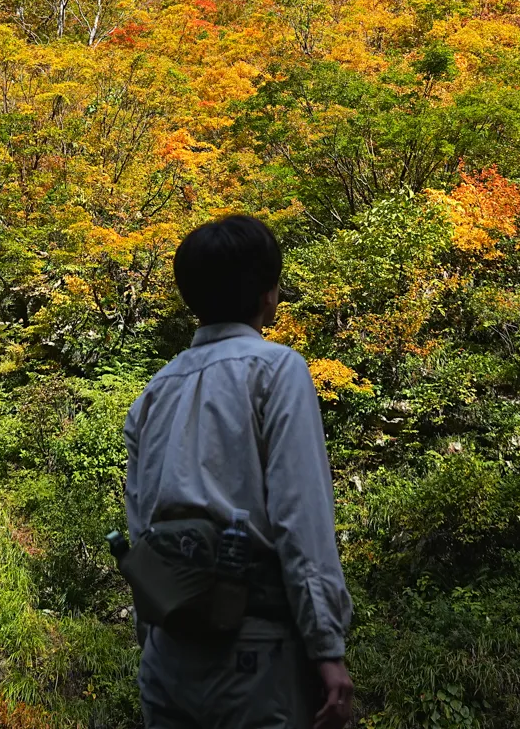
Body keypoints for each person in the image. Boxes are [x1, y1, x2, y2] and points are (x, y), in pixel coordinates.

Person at [123, 214, 356, 729]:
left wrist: (152, 641)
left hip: (169, 654)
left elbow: (142, 533)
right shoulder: (276, 370)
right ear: (267, 293)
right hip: (255, 653)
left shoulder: (153, 393)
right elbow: (301, 518)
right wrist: (326, 648)